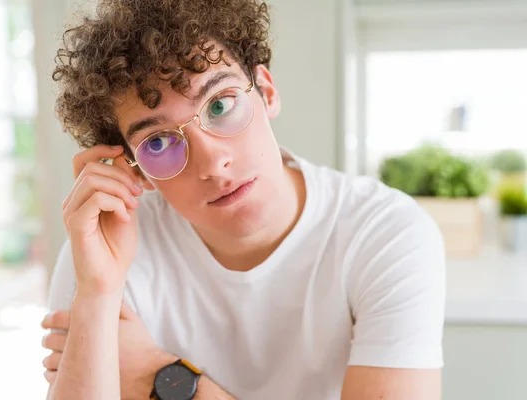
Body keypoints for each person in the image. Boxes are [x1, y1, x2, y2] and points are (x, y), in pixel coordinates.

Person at [39, 0, 446, 399]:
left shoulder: (385, 232)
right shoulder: (104, 249)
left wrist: (159, 379)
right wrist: (98, 292)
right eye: (159, 142)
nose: (214, 162)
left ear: (266, 92)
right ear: (133, 167)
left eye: (220, 105)